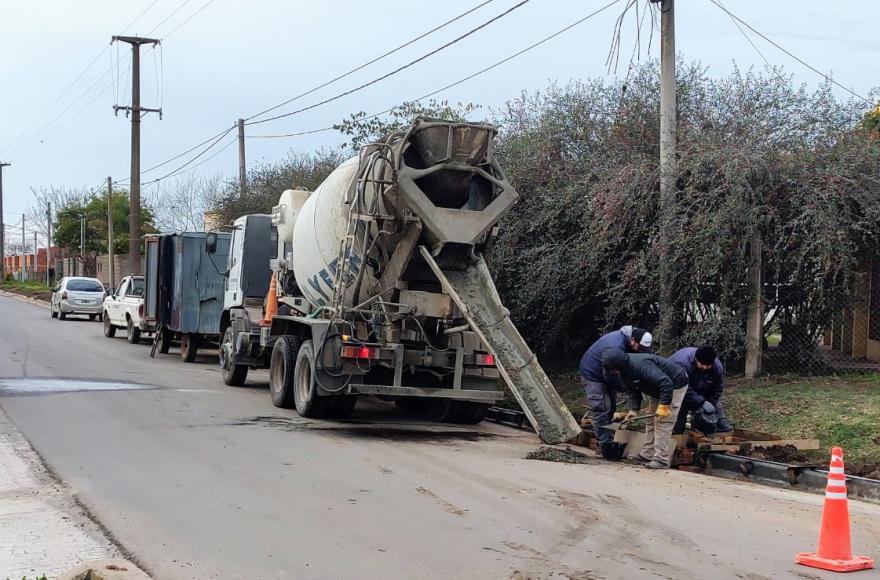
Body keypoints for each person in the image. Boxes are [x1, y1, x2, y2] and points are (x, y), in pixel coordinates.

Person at [601, 347, 688, 469]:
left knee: (663, 421)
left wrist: (664, 406)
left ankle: (661, 459)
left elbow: (665, 382)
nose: (613, 372)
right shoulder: (624, 370)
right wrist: (634, 409)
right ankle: (647, 454)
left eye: (614, 370)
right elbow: (632, 390)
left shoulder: (641, 366)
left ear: (618, 366)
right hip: (658, 388)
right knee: (651, 421)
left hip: (674, 384)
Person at [578, 326, 653, 461]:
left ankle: (608, 441)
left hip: (605, 374)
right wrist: (626, 388)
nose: (640, 351)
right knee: (602, 409)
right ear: (632, 340)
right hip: (593, 374)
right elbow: (610, 377)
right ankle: (605, 447)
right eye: (639, 347)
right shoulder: (615, 348)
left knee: (612, 408)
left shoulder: (627, 343)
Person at [669, 345, 733, 435]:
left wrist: (710, 404)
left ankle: (707, 429)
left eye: (708, 365)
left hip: (701, 387)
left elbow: (717, 388)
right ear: (696, 359)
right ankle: (676, 436)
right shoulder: (681, 363)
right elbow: (684, 389)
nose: (705, 367)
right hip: (678, 389)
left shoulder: (717, 367)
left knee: (712, 413)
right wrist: (701, 402)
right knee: (678, 421)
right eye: (702, 364)